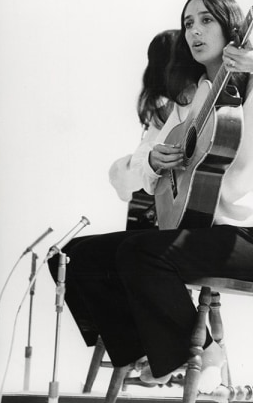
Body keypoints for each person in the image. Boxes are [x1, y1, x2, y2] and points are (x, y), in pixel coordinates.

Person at [64, 0, 253, 393]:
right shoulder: (189, 101)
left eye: (206, 20)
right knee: (76, 255)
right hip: (197, 234)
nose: (194, 31)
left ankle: (201, 350)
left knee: (139, 251)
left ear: (232, 28)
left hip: (249, 240)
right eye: (188, 23)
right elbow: (133, 169)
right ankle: (146, 352)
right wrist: (153, 162)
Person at [48, 29, 180, 347]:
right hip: (157, 222)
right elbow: (130, 181)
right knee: (62, 258)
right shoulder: (163, 114)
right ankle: (130, 345)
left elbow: (129, 179)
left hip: (181, 231)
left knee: (96, 256)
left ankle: (138, 346)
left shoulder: (192, 112)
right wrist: (139, 163)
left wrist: (134, 166)